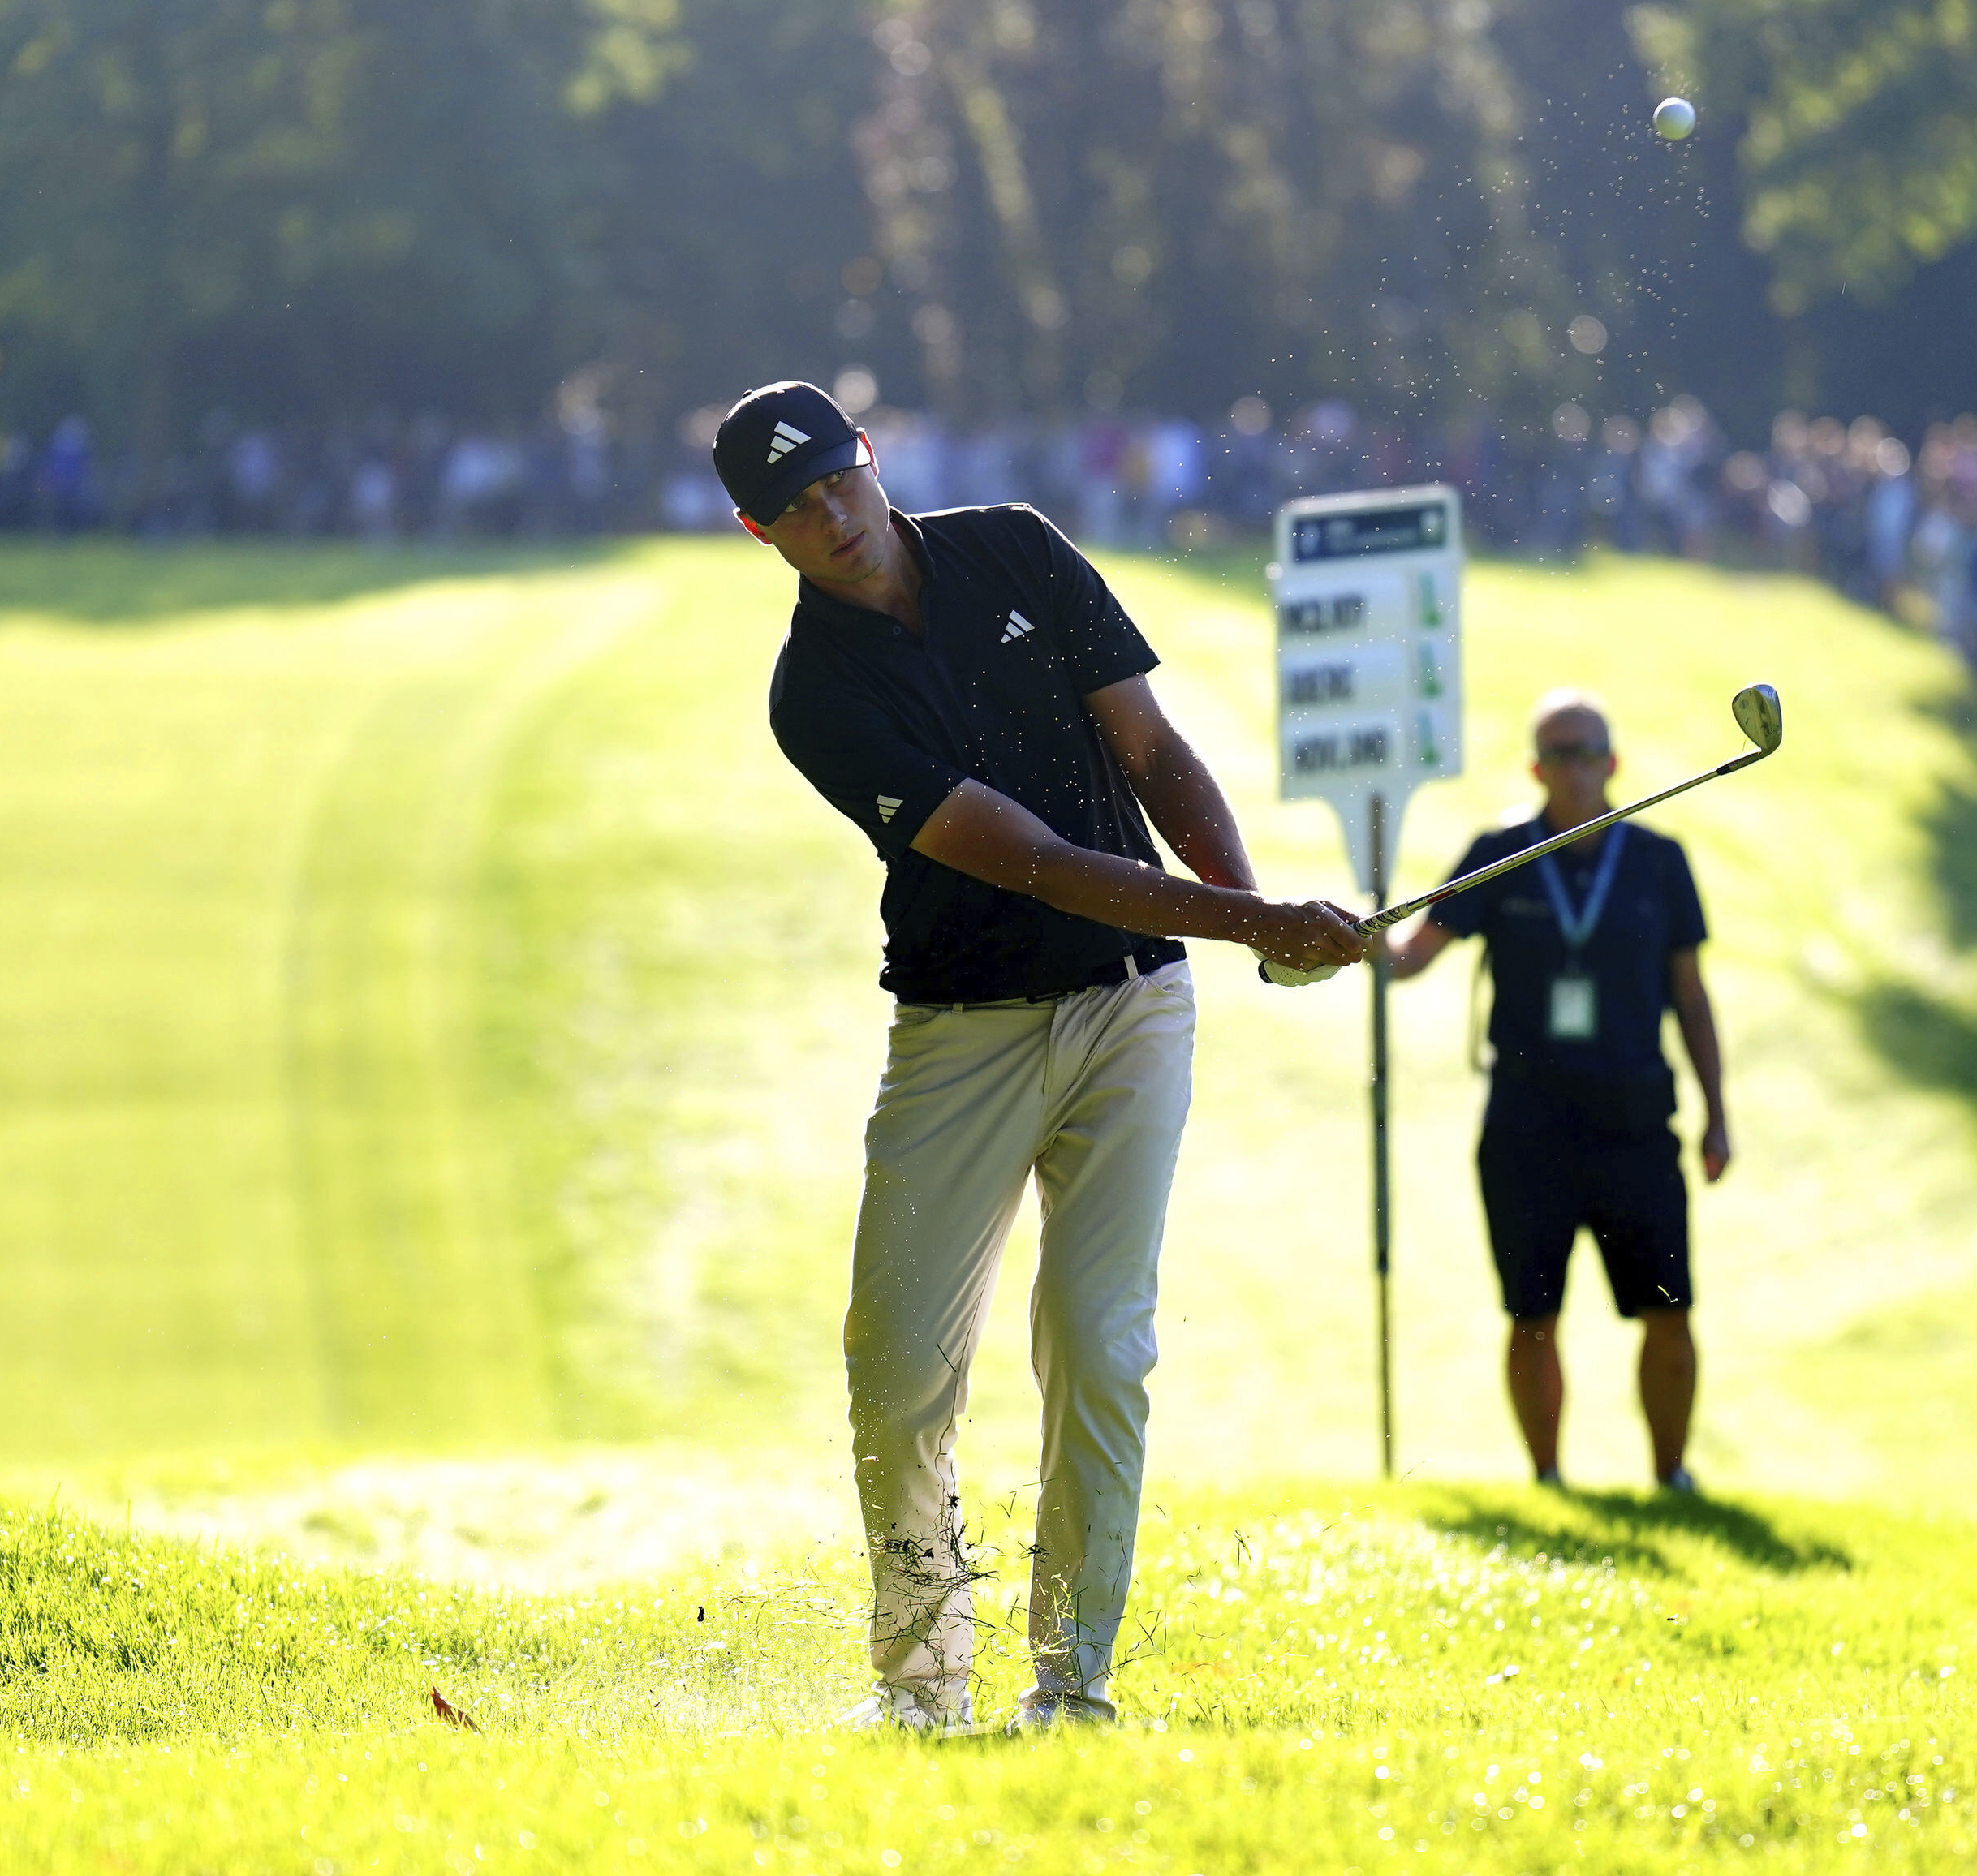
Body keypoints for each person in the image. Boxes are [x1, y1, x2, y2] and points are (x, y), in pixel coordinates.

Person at [711, 381, 1363, 1736]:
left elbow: (1149, 747)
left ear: (871, 458)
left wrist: (1249, 918)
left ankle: (1070, 1682)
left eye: (838, 481)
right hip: (962, 1030)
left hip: (1130, 1005)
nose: (831, 518)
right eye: (794, 509)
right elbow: (1042, 865)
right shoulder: (814, 695)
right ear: (755, 531)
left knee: (1100, 1340)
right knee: (896, 1370)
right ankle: (923, 1685)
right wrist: (1260, 920)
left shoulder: (1016, 546)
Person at [1380, 691, 1729, 1491]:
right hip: (1526, 1121)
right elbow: (1411, 953)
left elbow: (1690, 993)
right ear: (1536, 767)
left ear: (1613, 761)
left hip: (1637, 1116)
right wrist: (1354, 937)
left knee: (1667, 1306)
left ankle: (1670, 1475)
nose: (1575, 766)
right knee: (1530, 1312)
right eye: (1559, 753)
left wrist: (1716, 1112)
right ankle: (1546, 1476)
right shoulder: (1499, 852)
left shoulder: (1657, 860)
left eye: (1588, 751)